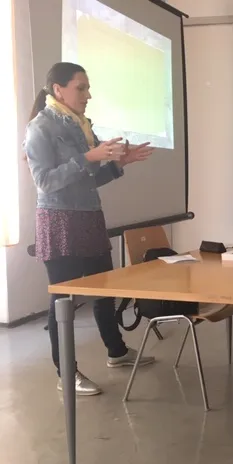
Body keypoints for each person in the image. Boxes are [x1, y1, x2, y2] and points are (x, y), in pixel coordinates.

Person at [24, 62, 156, 396]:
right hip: (60, 221)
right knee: (63, 302)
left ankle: (117, 351)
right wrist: (88, 157)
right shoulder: (40, 127)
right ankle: (66, 374)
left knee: (104, 290)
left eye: (87, 88)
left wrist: (118, 164)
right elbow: (44, 182)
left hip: (89, 217)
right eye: (80, 88)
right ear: (58, 90)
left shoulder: (82, 126)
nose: (88, 95)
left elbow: (90, 180)